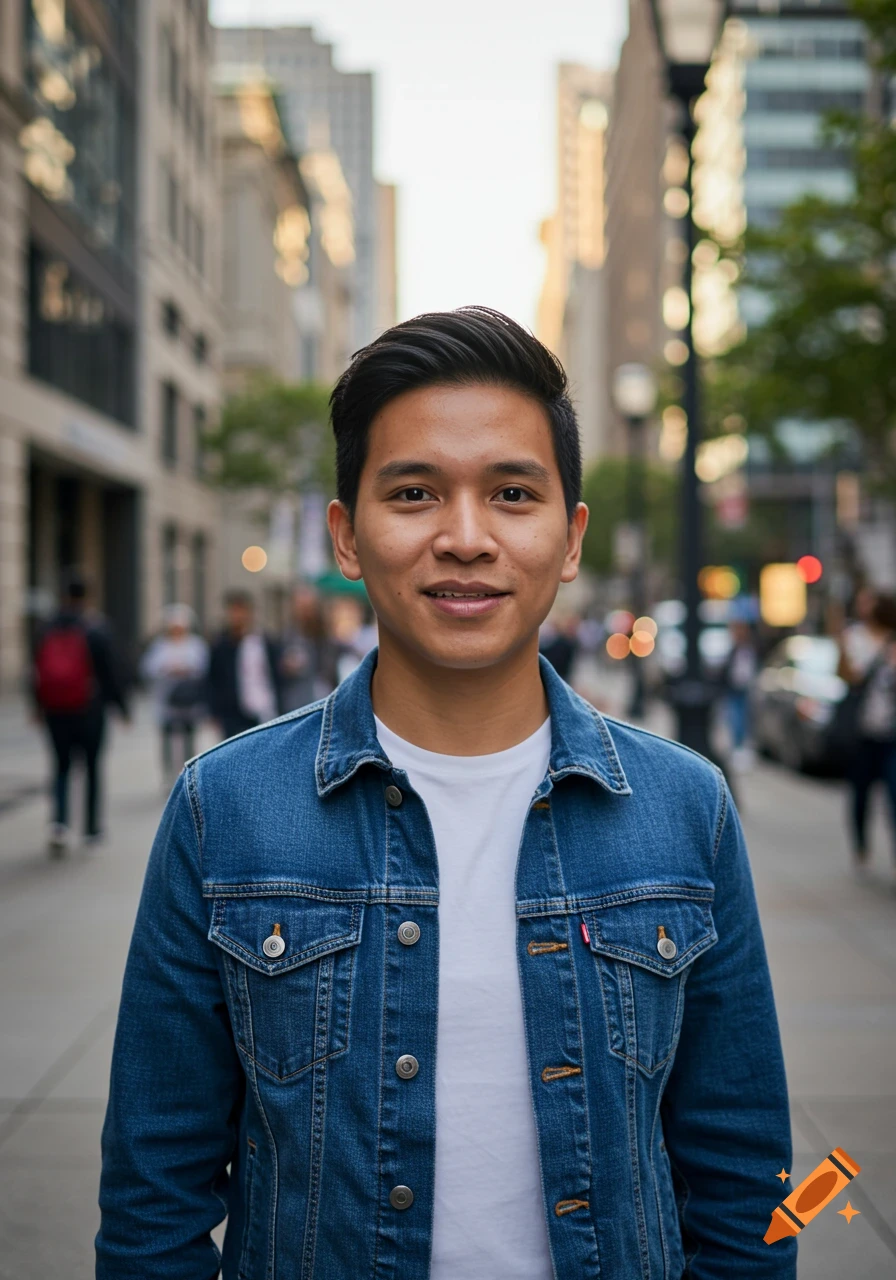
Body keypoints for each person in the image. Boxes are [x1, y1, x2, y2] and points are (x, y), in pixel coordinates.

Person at [97, 307, 795, 1279]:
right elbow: (152, 1197)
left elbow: (748, 1183)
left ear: (568, 536)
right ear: (346, 534)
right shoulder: (225, 807)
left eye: (512, 492)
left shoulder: (683, 806)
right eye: (415, 492)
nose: (464, 537)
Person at [32, 572, 128, 855]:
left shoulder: (46, 628)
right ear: (86, 597)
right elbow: (111, 671)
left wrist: (37, 705)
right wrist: (121, 707)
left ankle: (59, 824)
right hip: (89, 709)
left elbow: (36, 670)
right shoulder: (96, 628)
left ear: (63, 596)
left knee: (60, 766)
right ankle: (91, 829)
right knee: (92, 767)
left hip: (55, 710)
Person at [840, 593, 896, 882]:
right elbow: (847, 676)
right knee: (860, 794)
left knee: (894, 794)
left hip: (891, 732)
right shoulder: (854, 637)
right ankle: (861, 847)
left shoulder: (892, 639)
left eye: (867, 601)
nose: (862, 605)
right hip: (863, 732)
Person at [139, 604, 210, 787]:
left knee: (189, 739)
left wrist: (186, 669)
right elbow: (148, 668)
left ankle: (189, 775)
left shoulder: (195, 644)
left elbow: (203, 667)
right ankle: (169, 776)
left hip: (189, 701)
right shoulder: (160, 645)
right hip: (167, 702)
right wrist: (167, 668)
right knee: (167, 741)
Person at [206, 591, 282, 740]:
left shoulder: (263, 641)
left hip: (262, 706)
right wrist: (213, 711)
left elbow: (274, 672)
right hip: (232, 710)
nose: (237, 616)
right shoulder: (221, 644)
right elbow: (212, 679)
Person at [278, 583, 338, 711]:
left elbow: (330, 667)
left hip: (320, 699)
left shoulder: (324, 637)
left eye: (307, 607)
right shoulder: (288, 635)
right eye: (300, 606)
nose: (304, 612)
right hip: (294, 702)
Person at [720, 619, 759, 771]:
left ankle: (741, 749)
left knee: (740, 718)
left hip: (743, 689)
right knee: (734, 718)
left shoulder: (748, 649)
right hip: (734, 689)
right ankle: (737, 748)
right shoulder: (735, 649)